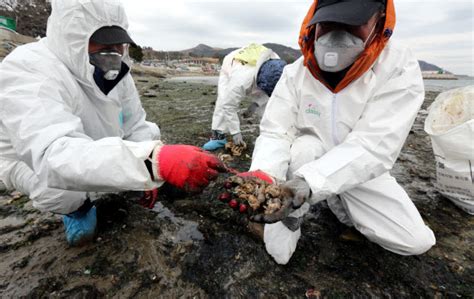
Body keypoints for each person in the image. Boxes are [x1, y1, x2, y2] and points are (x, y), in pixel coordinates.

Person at [0, 0, 224, 246]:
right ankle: (77, 211)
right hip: (32, 159)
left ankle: (122, 180)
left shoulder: (116, 69)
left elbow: (136, 123)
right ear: (71, 37)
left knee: (149, 132)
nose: (114, 50)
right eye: (104, 42)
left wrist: (147, 173)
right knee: (61, 192)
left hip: (93, 140)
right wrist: (153, 162)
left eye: (119, 42)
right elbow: (53, 155)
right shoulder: (28, 70)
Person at [242, 0, 436, 264]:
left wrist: (313, 183)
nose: (336, 34)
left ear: (379, 21)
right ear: (314, 20)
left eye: (351, 23)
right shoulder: (296, 72)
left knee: (415, 240)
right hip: (307, 162)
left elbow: (374, 146)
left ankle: (337, 205)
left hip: (360, 169)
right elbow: (275, 132)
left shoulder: (397, 67)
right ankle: (290, 218)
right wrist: (263, 176)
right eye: (328, 23)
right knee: (304, 149)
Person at [202, 43, 287, 151]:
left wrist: (256, 104)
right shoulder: (241, 79)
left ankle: (269, 135)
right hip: (232, 64)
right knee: (223, 100)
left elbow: (273, 94)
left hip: (258, 70)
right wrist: (235, 132)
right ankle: (218, 136)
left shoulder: (279, 67)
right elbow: (228, 105)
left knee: (269, 105)